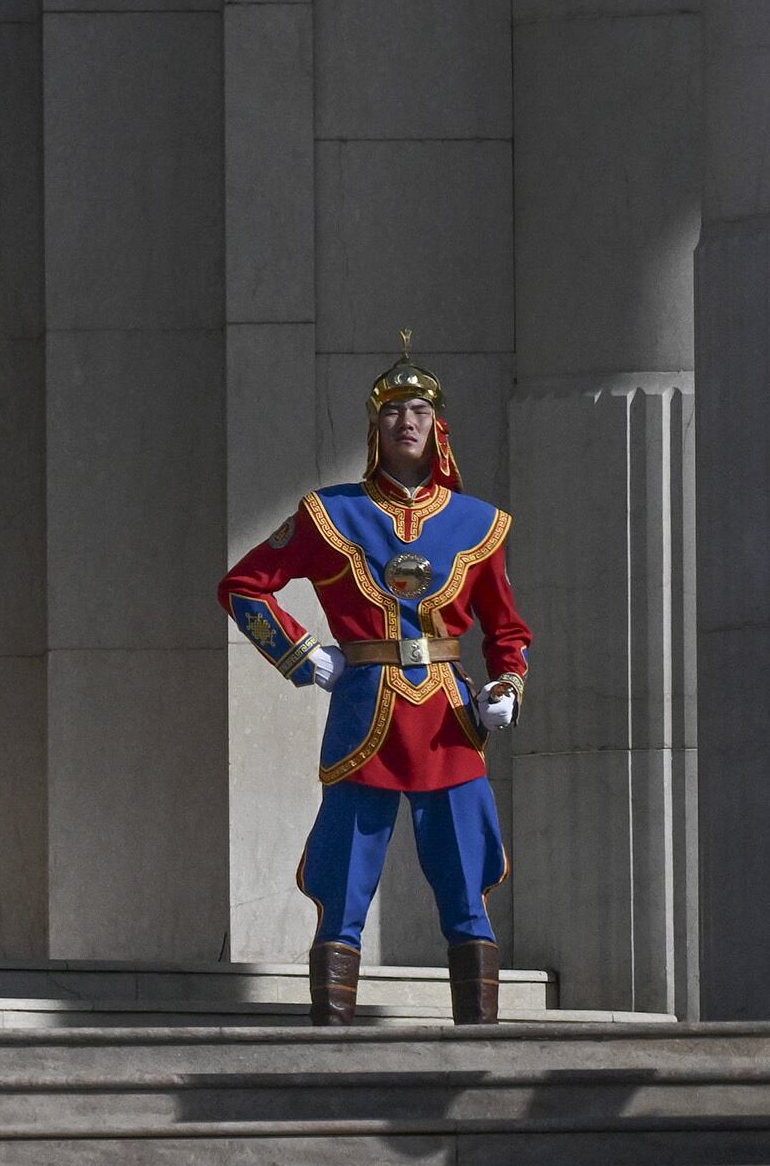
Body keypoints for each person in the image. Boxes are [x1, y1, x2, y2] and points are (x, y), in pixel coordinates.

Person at [220, 336, 530, 1025]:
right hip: (367, 713)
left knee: (465, 876)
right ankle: (331, 1035)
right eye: (392, 409)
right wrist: (300, 654)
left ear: (437, 425)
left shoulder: (481, 523)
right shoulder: (330, 513)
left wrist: (507, 683)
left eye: (418, 408)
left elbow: (507, 630)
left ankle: (480, 1038)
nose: (406, 421)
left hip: (451, 718)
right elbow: (243, 586)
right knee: (345, 872)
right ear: (375, 426)